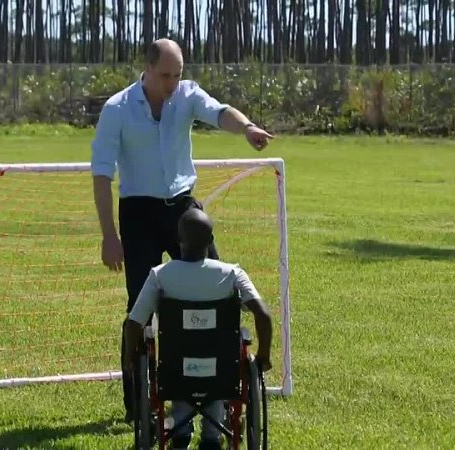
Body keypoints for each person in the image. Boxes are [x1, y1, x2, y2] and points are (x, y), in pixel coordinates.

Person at [90, 38, 274, 421]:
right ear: (148, 69)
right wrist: (109, 235)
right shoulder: (117, 109)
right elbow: (102, 175)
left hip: (183, 210)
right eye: (165, 75)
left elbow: (219, 112)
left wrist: (247, 128)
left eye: (177, 75)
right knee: (139, 311)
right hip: (138, 213)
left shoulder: (186, 94)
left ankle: (221, 389)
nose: (172, 82)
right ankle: (137, 406)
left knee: (220, 293)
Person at [123, 208, 273, 450]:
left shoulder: (160, 276)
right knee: (217, 364)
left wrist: (133, 356)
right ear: (210, 241)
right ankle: (212, 436)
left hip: (175, 373)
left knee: (181, 364)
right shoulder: (233, 274)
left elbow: (133, 324)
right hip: (223, 374)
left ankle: (181, 432)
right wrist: (263, 357)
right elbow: (263, 316)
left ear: (179, 240)